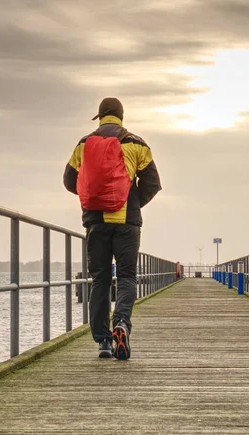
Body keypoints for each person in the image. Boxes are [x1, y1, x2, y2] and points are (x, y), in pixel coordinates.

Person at [63, 97, 162, 360]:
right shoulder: (136, 143)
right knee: (127, 277)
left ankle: (104, 342)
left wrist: (91, 198)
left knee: (100, 280)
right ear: (121, 116)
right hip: (127, 222)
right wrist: (132, 202)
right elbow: (152, 182)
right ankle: (121, 324)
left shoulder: (84, 144)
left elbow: (69, 180)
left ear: (99, 117)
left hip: (96, 222)